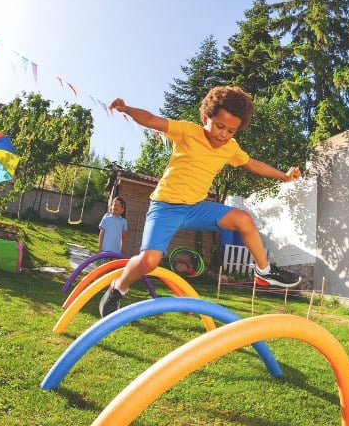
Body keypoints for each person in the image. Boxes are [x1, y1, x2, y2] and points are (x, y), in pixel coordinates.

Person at [100, 86, 301, 317]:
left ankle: (263, 271)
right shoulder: (187, 131)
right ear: (205, 118)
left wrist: (284, 176)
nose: (223, 135)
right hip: (165, 207)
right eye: (220, 126)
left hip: (196, 208)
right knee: (150, 261)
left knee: (243, 219)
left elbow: (253, 164)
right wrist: (127, 109)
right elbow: (153, 120)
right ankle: (119, 287)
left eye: (231, 131)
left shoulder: (230, 148)